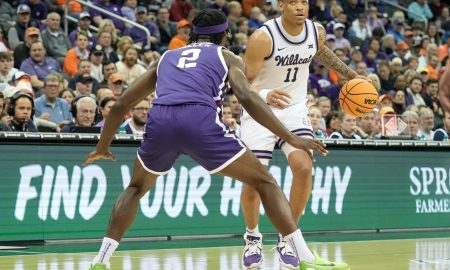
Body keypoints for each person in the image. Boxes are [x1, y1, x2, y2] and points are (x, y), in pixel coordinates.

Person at [83, 9, 337, 270]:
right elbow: (248, 98)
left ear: (192, 33)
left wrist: (102, 147)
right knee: (265, 181)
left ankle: (100, 259)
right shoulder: (226, 56)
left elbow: (120, 105)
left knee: (135, 189)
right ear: (225, 34)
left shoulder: (166, 57)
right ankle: (304, 257)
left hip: (160, 121)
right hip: (199, 120)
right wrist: (291, 137)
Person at [239, 0, 367, 268]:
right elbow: (243, 81)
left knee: (304, 167)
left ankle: (288, 237)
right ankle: (252, 236)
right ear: (282, 5)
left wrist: (350, 74)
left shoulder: (315, 31)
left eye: (304, 2)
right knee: (254, 180)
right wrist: (265, 94)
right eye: (294, 2)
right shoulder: (263, 37)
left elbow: (320, 52)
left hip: (295, 109)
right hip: (259, 110)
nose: (300, 7)